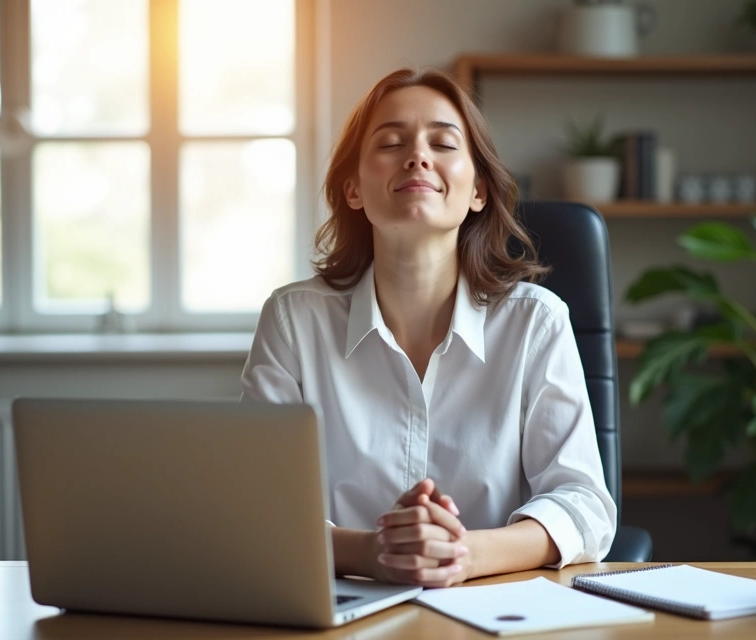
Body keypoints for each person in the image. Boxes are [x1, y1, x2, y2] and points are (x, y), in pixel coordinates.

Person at [240, 67, 616, 588]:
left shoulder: (536, 321)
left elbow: (585, 506)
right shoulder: (293, 320)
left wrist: (464, 554)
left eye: (442, 143)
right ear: (353, 188)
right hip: (341, 609)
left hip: (493, 606)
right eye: (391, 143)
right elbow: (258, 509)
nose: (417, 156)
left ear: (478, 190)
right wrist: (370, 553)